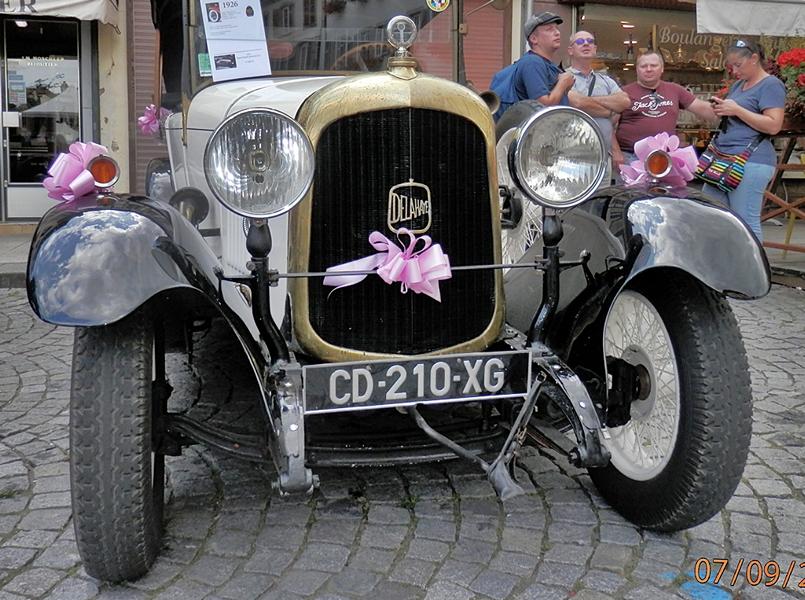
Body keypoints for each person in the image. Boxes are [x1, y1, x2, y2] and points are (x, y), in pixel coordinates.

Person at [704, 40, 785, 240]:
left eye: (738, 65)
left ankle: (754, 270)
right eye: (731, 66)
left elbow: (774, 125)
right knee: (712, 215)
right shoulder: (739, 85)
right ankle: (727, 266)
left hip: (750, 160)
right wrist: (722, 109)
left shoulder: (771, 84)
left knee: (745, 223)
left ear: (754, 59)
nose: (734, 71)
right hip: (725, 159)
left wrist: (737, 110)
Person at [613, 51, 716, 170]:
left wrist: (729, 110)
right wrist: (616, 153)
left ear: (662, 69)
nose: (649, 69)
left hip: (665, 157)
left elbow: (705, 110)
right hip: (630, 157)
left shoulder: (675, 90)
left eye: (653, 65)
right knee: (633, 190)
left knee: (663, 190)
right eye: (643, 66)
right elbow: (608, 126)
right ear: (637, 69)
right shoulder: (623, 93)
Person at [567, 31, 630, 182]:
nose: (586, 44)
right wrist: (608, 110)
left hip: (602, 158)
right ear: (570, 50)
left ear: (595, 48)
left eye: (590, 41)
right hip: (570, 157)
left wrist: (588, 103)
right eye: (580, 41)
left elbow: (624, 102)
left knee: (599, 203)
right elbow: (576, 103)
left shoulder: (606, 80)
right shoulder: (563, 77)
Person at [512, 12, 576, 108]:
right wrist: (563, 83)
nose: (557, 33)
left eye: (557, 28)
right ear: (534, 39)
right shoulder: (532, 63)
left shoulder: (546, 65)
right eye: (549, 29)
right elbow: (542, 106)